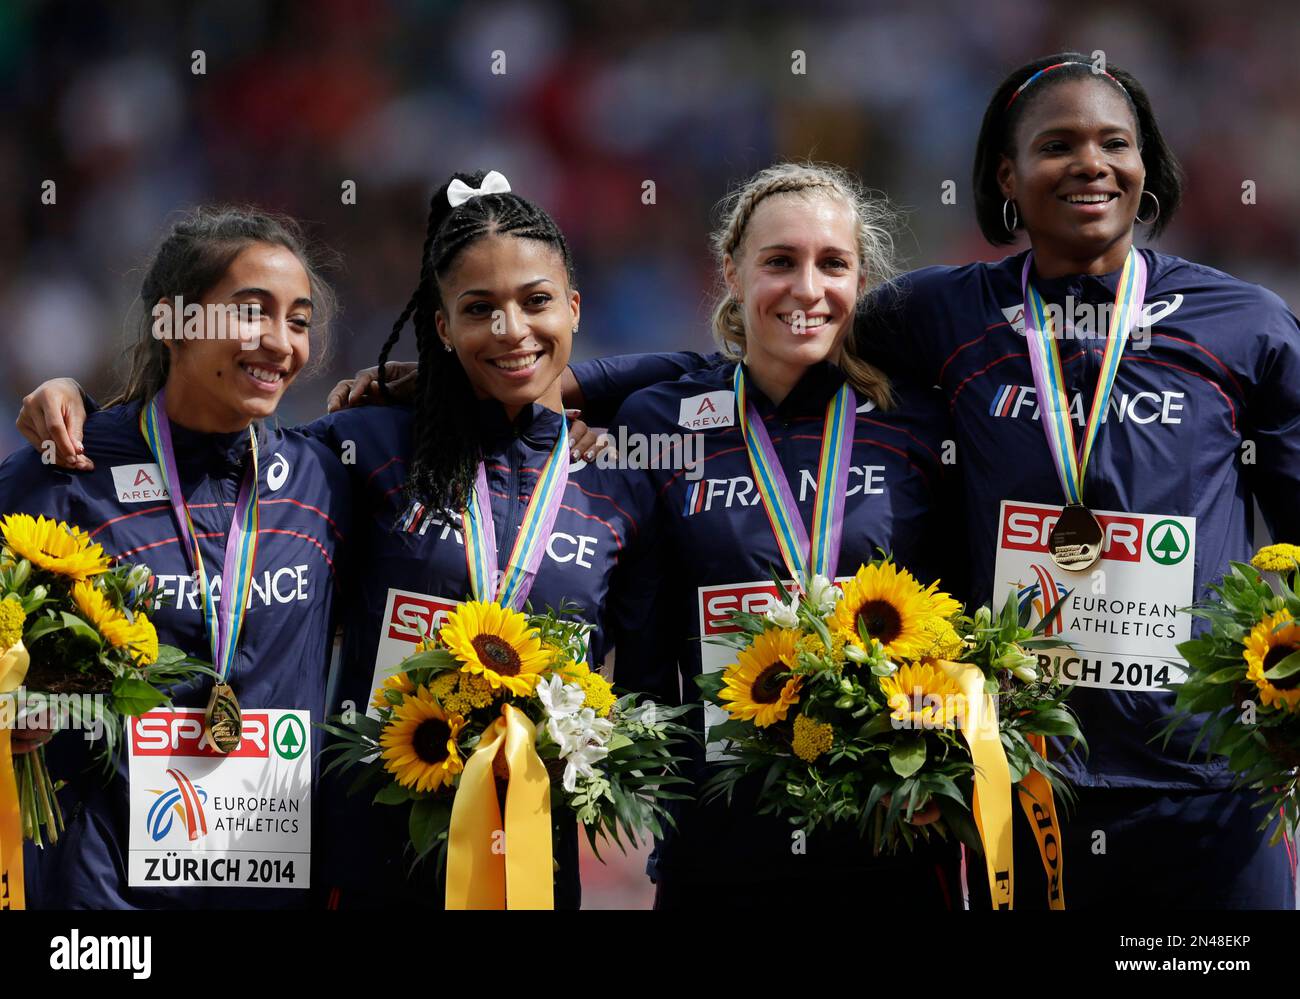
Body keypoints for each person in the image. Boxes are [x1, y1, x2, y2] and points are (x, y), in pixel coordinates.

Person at [14, 174, 654, 910]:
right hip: (342, 874)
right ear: (441, 327)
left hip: (525, 872)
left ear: (574, 306)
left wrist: (579, 388)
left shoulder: (621, 485)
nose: (510, 329)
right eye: (478, 309)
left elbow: (711, 375)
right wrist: (85, 410)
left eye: (536, 301)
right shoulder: (358, 450)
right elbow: (194, 449)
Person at [851, 53, 1300, 909]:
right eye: (1057, 145)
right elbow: (787, 348)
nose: (1090, 163)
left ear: (1145, 168)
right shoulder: (943, 316)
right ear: (1007, 178)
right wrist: (594, 388)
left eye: (1114, 143)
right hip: (1018, 779)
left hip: (1211, 792)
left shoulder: (1244, 325)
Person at [603, 163, 962, 909]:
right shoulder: (660, 424)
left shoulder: (922, 420)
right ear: (731, 271)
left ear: (863, 280)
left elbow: (964, 619)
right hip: (720, 853)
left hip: (891, 843)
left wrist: (948, 768)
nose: (807, 289)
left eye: (833, 264)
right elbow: (643, 648)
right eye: (779, 262)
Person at [0, 206, 351, 908]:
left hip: (272, 892)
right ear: (174, 323)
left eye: (300, 320)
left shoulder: (326, 478)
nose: (281, 342)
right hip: (100, 898)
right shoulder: (66, 470)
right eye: (253, 312)